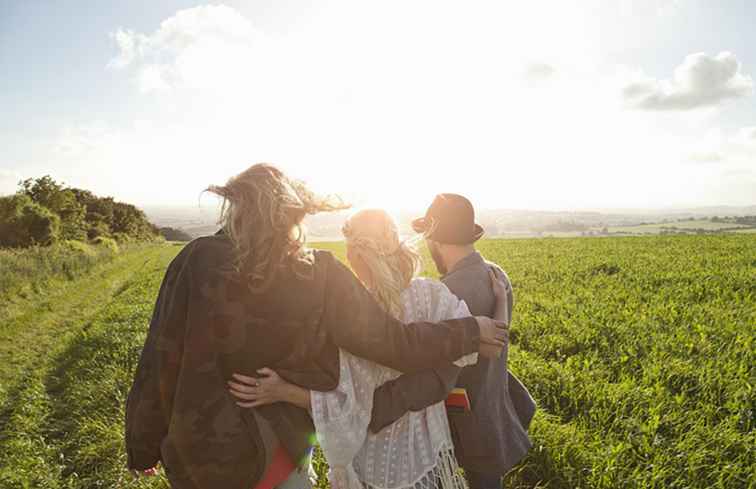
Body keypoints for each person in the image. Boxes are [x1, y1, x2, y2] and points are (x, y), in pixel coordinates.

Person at [124, 165, 508, 489]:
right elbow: (395, 343)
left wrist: (142, 445)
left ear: (237, 209)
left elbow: (160, 357)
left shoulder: (195, 259)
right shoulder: (318, 272)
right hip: (277, 457)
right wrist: (469, 332)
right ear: (292, 214)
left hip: (197, 460)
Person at [228, 209, 513, 489]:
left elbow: (345, 406)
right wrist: (499, 302)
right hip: (427, 460)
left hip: (373, 466)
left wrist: (281, 391)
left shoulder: (351, 319)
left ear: (355, 255)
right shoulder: (432, 296)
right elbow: (492, 346)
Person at [367, 193, 536, 489]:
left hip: (463, 421)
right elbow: (500, 339)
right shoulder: (498, 275)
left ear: (435, 239)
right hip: (493, 408)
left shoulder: (450, 293)